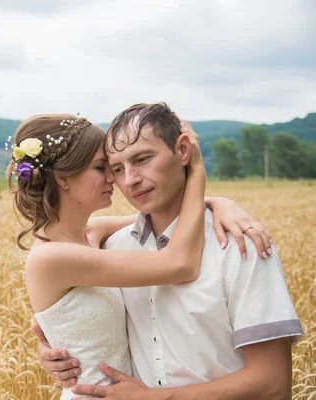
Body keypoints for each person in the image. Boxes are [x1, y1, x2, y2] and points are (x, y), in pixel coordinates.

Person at [34, 103, 303, 399]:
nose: (128, 180)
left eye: (143, 159)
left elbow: (273, 384)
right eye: (115, 168)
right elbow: (76, 316)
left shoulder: (240, 246)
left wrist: (215, 201)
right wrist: (56, 347)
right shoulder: (113, 246)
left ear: (184, 151)